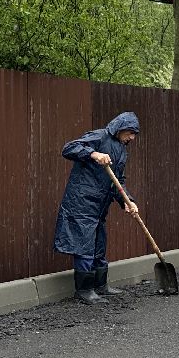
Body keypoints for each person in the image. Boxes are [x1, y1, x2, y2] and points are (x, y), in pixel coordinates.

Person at [54, 111, 142, 303]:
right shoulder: (100, 136)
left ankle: (101, 285)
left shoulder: (121, 149)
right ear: (121, 128)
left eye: (134, 134)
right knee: (84, 246)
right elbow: (69, 148)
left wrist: (127, 201)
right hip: (82, 202)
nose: (132, 138)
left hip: (99, 206)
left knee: (99, 244)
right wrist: (94, 153)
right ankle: (84, 290)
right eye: (131, 133)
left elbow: (118, 181)